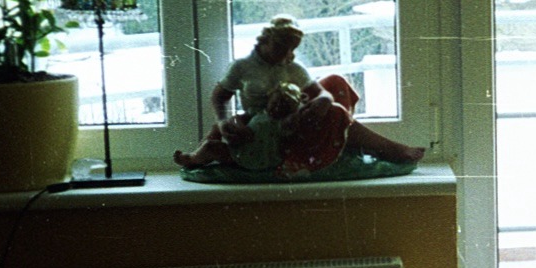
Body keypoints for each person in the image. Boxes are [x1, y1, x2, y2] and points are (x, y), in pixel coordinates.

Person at [174, 15, 425, 173]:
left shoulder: (292, 68)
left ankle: (353, 145)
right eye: (281, 48)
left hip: (291, 119)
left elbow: (323, 94)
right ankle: (200, 155)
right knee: (227, 134)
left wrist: (317, 105)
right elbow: (221, 96)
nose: (285, 56)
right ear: (265, 40)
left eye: (290, 50)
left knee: (336, 90)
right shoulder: (243, 67)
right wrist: (223, 120)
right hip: (258, 122)